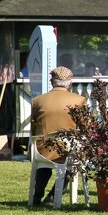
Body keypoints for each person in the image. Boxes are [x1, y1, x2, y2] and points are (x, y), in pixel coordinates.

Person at [30, 66, 86, 205]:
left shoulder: (37, 101)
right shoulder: (79, 100)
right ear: (70, 83)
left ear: (51, 82)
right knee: (72, 163)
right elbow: (84, 127)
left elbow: (33, 128)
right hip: (67, 151)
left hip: (41, 150)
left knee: (44, 166)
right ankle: (53, 195)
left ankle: (37, 196)